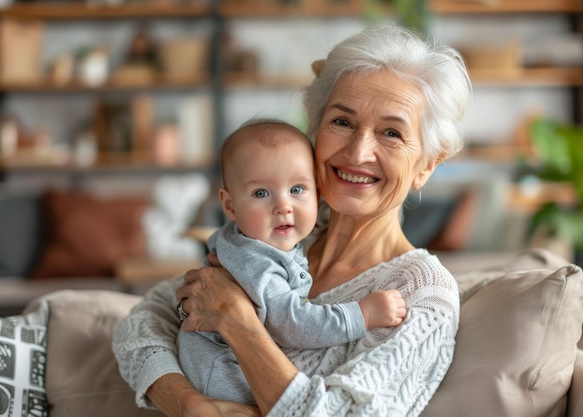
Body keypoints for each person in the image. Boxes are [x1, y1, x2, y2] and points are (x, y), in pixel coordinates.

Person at [113, 24, 471, 417]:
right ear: (314, 131)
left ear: (426, 166)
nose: (358, 151)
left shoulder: (423, 293)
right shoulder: (274, 234)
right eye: (342, 122)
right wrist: (190, 406)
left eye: (391, 132)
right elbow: (140, 324)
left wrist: (237, 322)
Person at [178, 118, 406, 405]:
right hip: (223, 377)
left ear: (318, 193)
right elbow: (292, 324)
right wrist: (362, 315)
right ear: (230, 205)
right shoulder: (256, 262)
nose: (283, 206)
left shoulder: (242, 238)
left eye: (297, 189)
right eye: (261, 193)